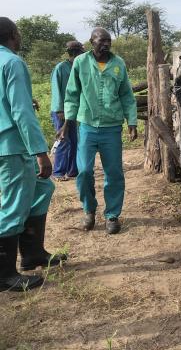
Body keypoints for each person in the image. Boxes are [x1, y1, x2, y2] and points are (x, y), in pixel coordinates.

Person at [0, 17, 64, 291]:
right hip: (12, 146)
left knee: (42, 188)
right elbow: (22, 113)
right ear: (13, 34)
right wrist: (40, 152)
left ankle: (32, 253)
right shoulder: (12, 62)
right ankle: (4, 275)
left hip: (8, 144)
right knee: (13, 205)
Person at [59, 28, 137, 235]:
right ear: (91, 42)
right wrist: (67, 122)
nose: (106, 44)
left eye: (109, 40)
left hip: (111, 127)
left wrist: (132, 122)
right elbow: (72, 94)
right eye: (102, 40)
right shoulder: (80, 63)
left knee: (114, 173)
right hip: (87, 126)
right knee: (84, 171)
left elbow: (126, 95)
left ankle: (112, 215)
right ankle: (89, 209)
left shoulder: (118, 64)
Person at [50, 40, 84, 181]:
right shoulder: (60, 68)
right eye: (81, 52)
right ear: (75, 53)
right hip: (61, 112)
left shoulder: (79, 66)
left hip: (73, 110)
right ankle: (58, 172)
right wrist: (59, 110)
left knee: (74, 140)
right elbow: (56, 89)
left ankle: (72, 171)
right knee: (63, 140)